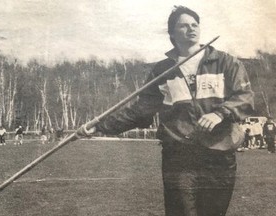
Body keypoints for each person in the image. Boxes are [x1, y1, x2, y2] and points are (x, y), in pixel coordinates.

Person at [76, 6, 254, 216]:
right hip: (179, 155)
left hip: (219, 154)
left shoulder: (226, 62)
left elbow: (245, 98)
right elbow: (140, 112)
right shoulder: (162, 71)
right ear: (172, 34)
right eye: (184, 25)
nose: (191, 29)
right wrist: (99, 126)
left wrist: (220, 113)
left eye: (195, 25)